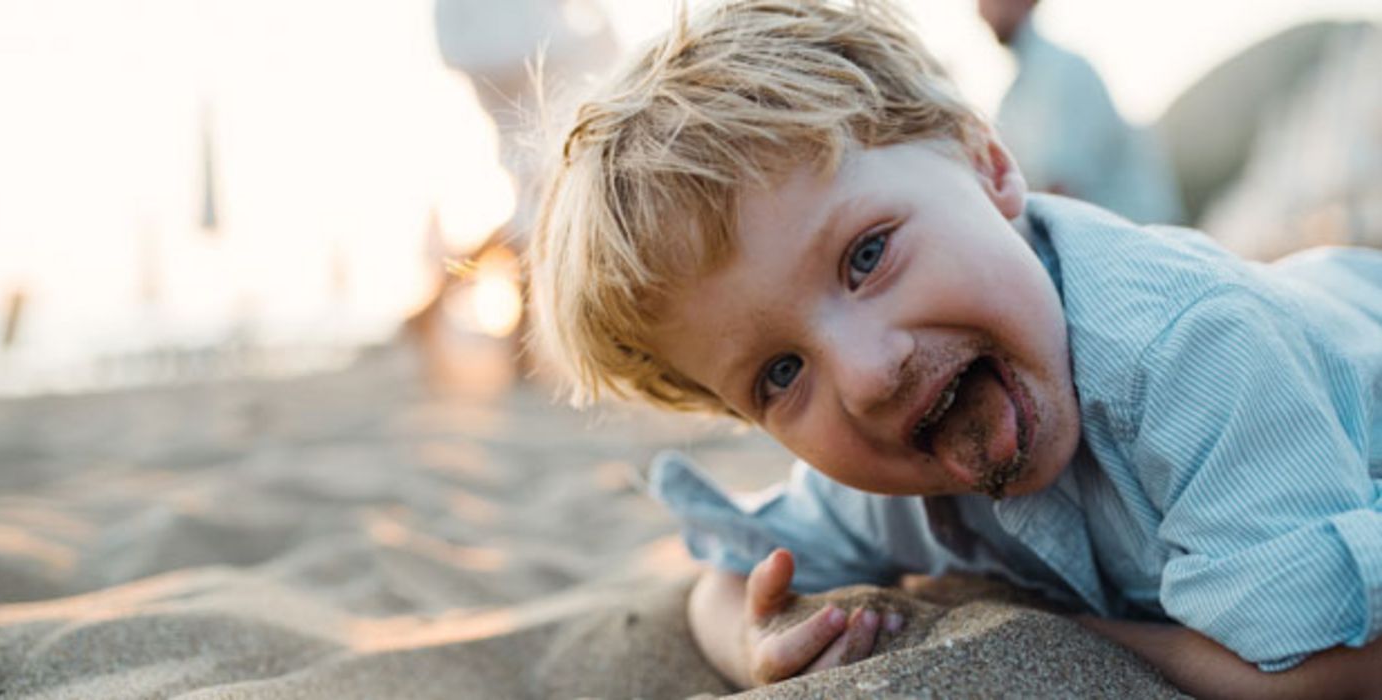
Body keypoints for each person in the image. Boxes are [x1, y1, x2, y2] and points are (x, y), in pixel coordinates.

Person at [528, 0, 1382, 696]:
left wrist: (1072, 639)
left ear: (988, 165)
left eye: (866, 256)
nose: (865, 376)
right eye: (779, 375)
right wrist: (752, 641)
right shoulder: (883, 476)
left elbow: (1327, 674)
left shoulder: (1190, 351)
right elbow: (726, 577)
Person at [978, 0, 1183, 224]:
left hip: (1133, 237)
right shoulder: (1015, 94)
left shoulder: (1063, 70)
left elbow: (1062, 189)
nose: (980, 11)